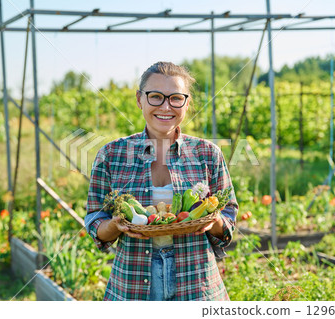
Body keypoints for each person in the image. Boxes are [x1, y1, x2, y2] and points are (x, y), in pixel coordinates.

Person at [84, 61, 238, 301]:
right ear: (139, 99)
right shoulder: (111, 155)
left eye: (176, 98)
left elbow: (228, 218)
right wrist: (115, 225)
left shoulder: (208, 153)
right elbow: (95, 220)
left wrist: (215, 219)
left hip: (197, 285)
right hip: (133, 285)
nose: (166, 106)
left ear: (187, 103)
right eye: (155, 96)